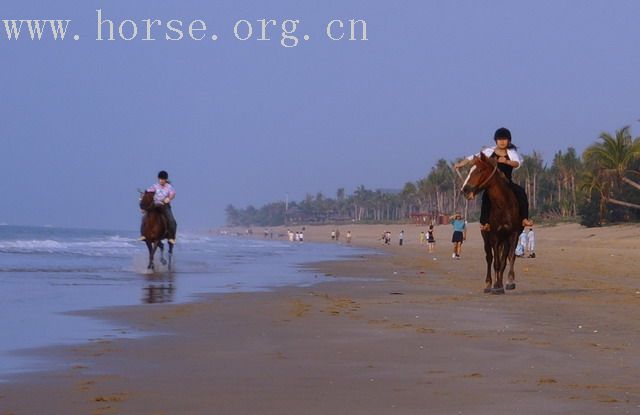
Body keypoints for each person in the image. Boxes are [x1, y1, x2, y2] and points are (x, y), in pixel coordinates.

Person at [454, 127, 533, 232]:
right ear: (496, 140)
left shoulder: (511, 152)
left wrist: (506, 162)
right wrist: (460, 164)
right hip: (492, 184)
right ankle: (484, 223)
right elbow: (472, 158)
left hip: (507, 182)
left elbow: (517, 163)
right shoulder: (489, 151)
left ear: (509, 141)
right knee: (486, 197)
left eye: (505, 139)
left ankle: (524, 219)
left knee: (521, 192)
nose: (502, 142)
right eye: (500, 139)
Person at [140, 170, 177, 244]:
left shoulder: (169, 187)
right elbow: (148, 192)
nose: (161, 181)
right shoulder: (155, 186)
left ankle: (171, 237)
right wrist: (143, 195)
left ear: (166, 179)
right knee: (144, 217)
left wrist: (168, 198)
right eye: (160, 179)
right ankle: (143, 235)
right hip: (154, 205)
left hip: (164, 205)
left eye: (163, 179)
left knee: (172, 221)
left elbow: (173, 194)